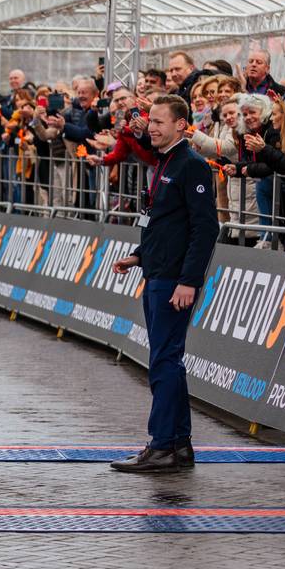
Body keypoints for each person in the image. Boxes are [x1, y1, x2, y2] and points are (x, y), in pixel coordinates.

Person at [110, 94, 220, 473]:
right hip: (155, 273)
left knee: (163, 361)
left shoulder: (192, 165)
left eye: (159, 121)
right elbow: (161, 222)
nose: (151, 127)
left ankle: (161, 446)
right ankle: (179, 444)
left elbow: (205, 228)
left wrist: (189, 281)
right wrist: (138, 255)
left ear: (180, 125)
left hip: (174, 281)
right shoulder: (163, 162)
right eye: (150, 121)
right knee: (167, 360)